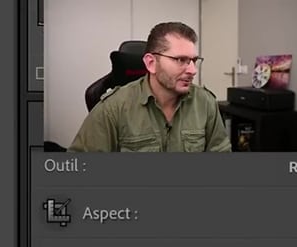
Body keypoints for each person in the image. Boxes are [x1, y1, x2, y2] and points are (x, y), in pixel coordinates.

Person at [67, 21, 232, 152]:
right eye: (181, 60)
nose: (192, 70)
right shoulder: (113, 109)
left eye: (194, 60)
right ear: (151, 63)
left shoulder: (205, 103)